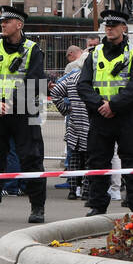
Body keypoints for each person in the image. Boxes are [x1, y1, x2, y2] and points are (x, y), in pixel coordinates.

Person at [0, 5, 47, 224]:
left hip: (25, 113)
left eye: (7, 22)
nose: (3, 25)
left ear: (19, 25)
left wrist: (13, 101)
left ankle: (37, 208)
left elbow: (35, 80)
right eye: (2, 22)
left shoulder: (33, 49)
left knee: (32, 159)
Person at [76, 8, 133, 216]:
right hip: (100, 117)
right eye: (106, 26)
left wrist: (113, 105)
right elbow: (83, 85)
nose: (109, 29)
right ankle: (97, 206)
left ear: (123, 28)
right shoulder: (94, 53)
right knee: (97, 162)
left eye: (113, 26)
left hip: (127, 116)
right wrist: (101, 104)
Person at [48, 49, 90, 200]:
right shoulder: (94, 78)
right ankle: (86, 191)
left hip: (74, 124)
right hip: (90, 125)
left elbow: (55, 92)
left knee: (74, 158)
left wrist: (66, 109)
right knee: (89, 160)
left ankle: (73, 190)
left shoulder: (72, 77)